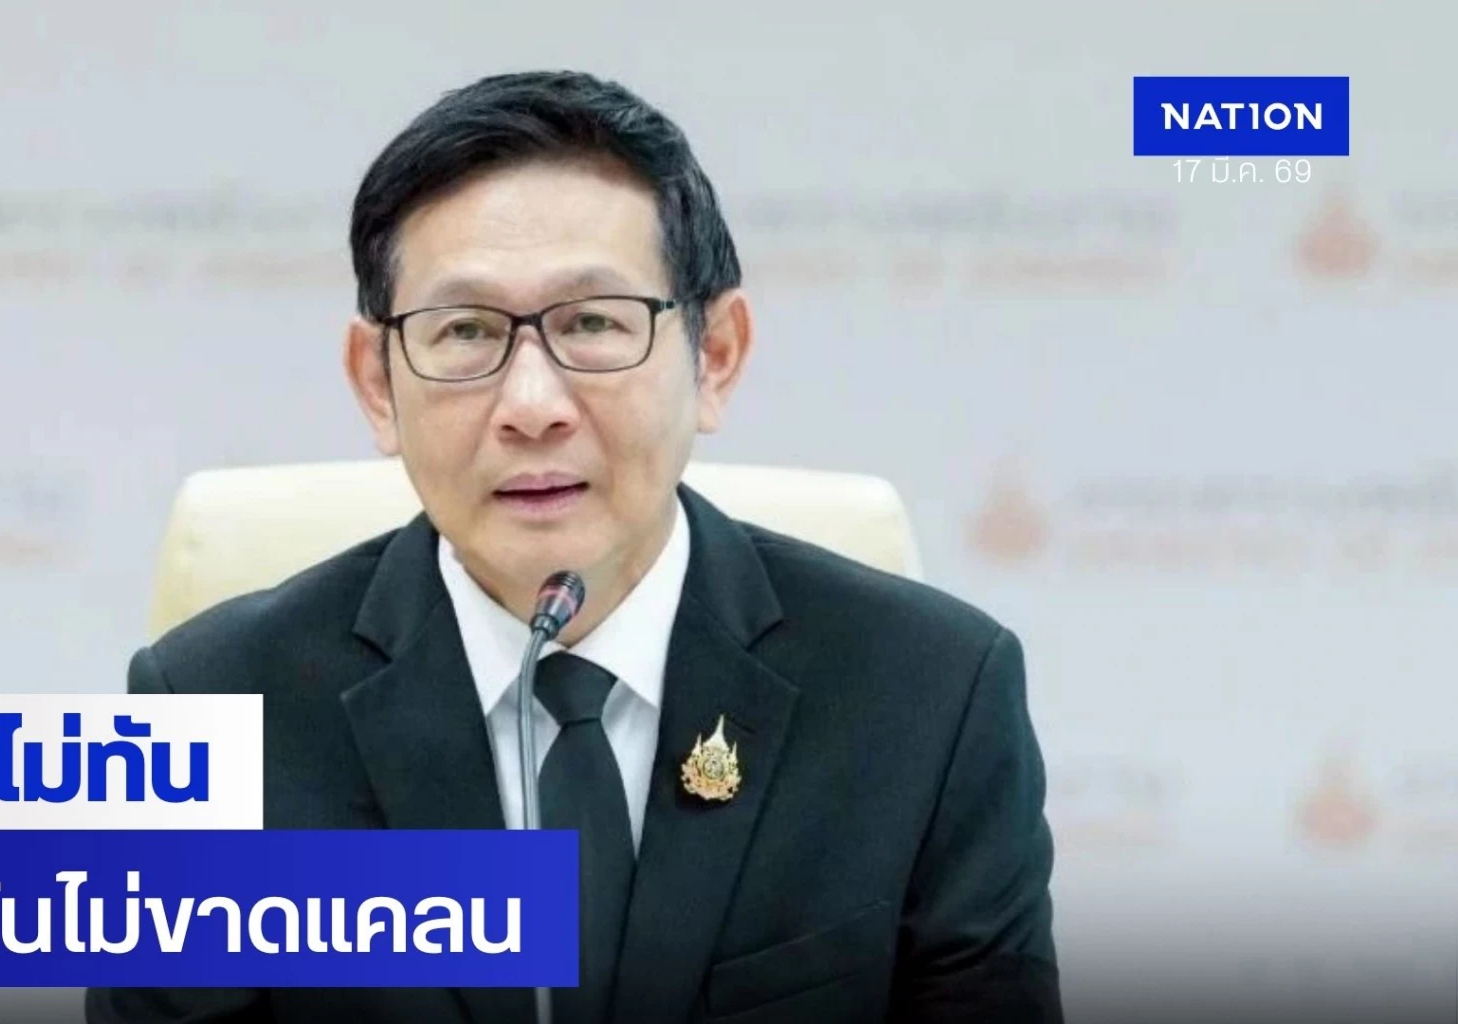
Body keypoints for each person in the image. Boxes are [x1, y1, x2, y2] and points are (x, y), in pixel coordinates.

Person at [88, 70, 1060, 1024]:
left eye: (592, 323)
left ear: (715, 355)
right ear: (377, 384)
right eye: (465, 331)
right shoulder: (208, 712)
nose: (531, 405)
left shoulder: (931, 695)